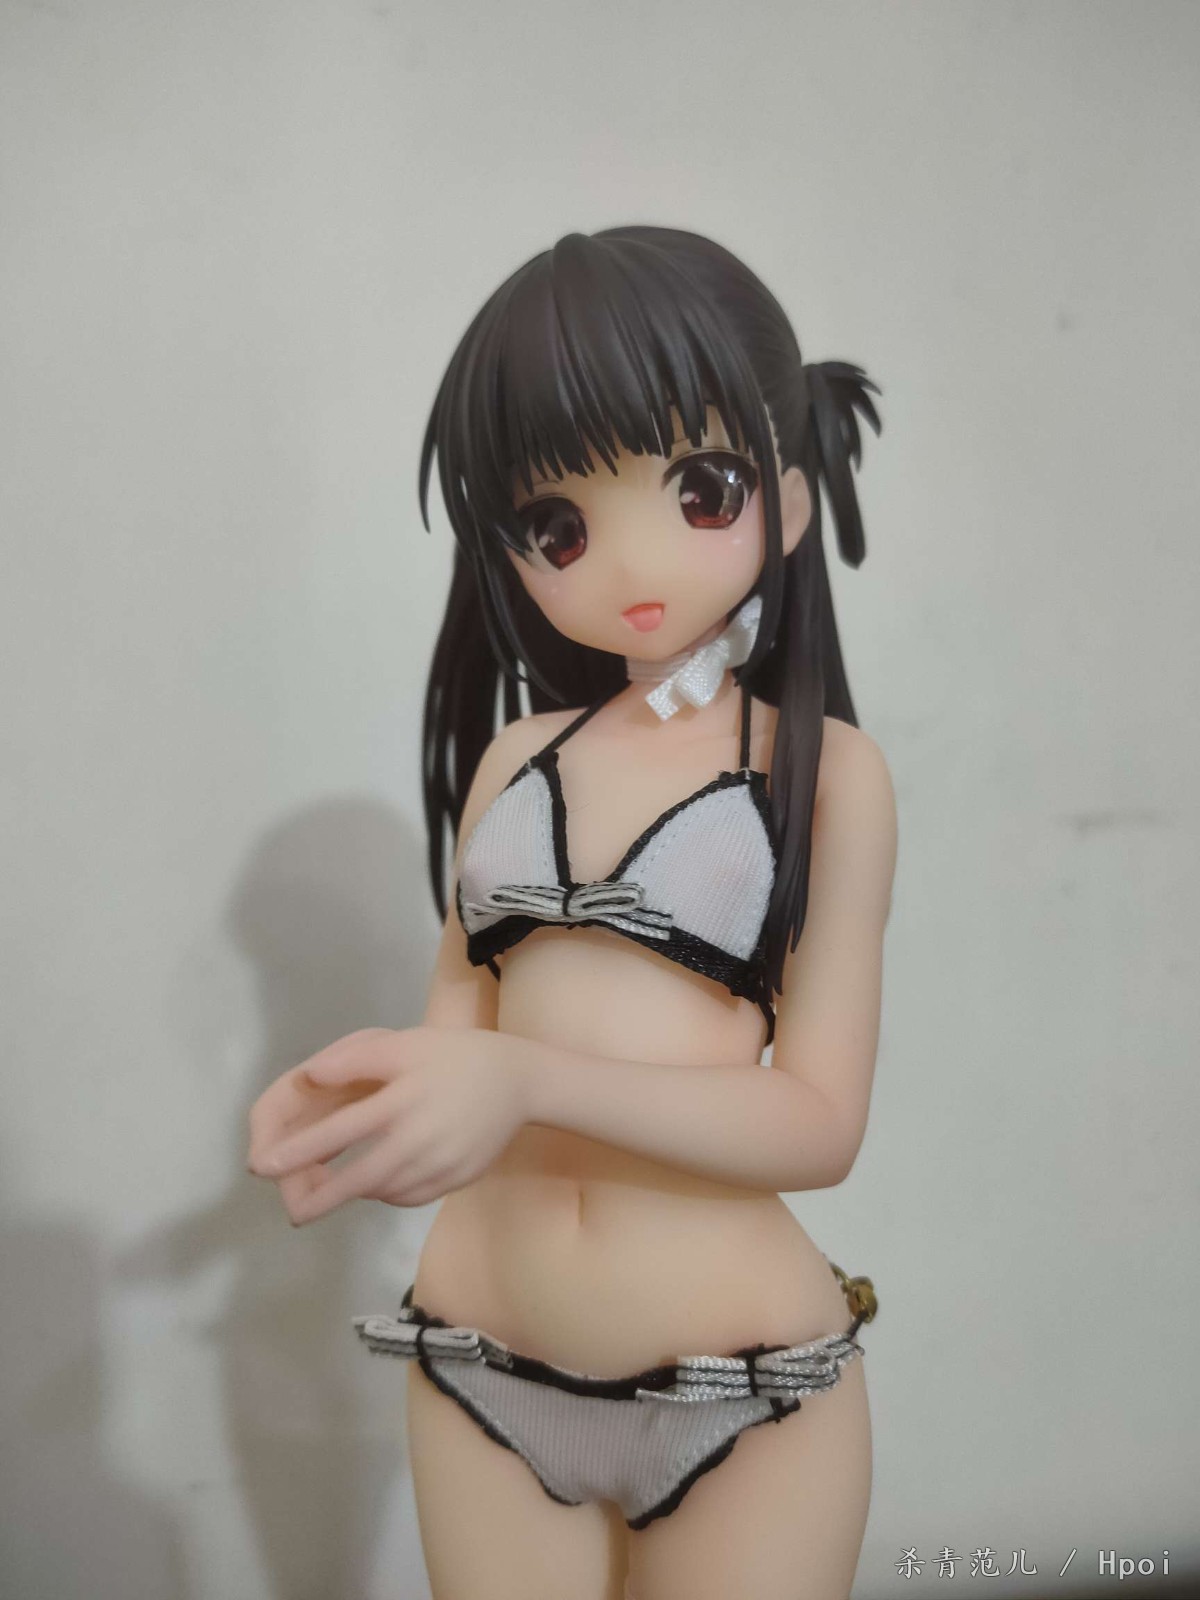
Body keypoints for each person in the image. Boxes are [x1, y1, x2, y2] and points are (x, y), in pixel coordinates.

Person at [248, 226, 897, 1600]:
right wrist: (367, 1102)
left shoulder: (826, 773)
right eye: (559, 525)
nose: (626, 559)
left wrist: (524, 1080)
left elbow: (820, 1122)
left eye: (700, 489)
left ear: (786, 502)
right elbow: (458, 1032)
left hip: (740, 1392)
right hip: (478, 1362)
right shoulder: (514, 758)